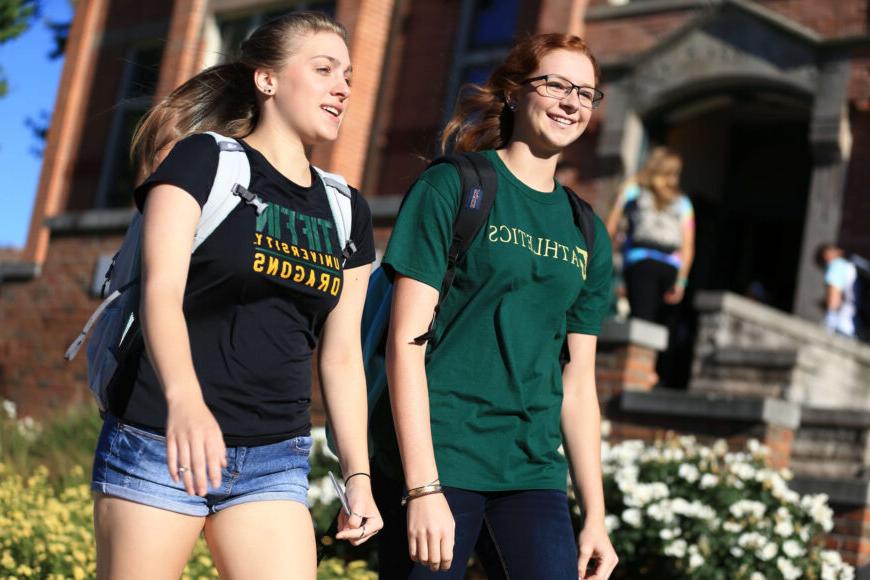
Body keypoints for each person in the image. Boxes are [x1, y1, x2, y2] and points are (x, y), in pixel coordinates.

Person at [90, 12, 382, 579]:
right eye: (323, 69)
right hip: (159, 437)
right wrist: (184, 401)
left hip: (275, 457)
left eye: (346, 74)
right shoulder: (203, 160)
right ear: (266, 80)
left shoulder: (348, 209)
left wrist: (359, 476)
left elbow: (343, 355)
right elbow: (161, 289)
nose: (342, 87)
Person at [372, 33, 619, 579]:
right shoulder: (453, 187)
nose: (572, 101)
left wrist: (596, 517)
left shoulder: (587, 232)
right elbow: (404, 345)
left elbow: (579, 386)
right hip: (442, 455)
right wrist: (422, 487)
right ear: (513, 93)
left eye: (586, 92)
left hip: (531, 470)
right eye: (555, 84)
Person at [605, 146, 695, 324]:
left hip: (640, 263)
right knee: (661, 330)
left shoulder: (634, 191)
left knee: (639, 324)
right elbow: (688, 247)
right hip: (671, 268)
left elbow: (609, 227)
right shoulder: (683, 203)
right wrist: (681, 281)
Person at [815, 243, 864, 339]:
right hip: (856, 325)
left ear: (826, 255)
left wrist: (829, 320)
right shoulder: (851, 265)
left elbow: (833, 301)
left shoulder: (836, 266)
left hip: (843, 326)